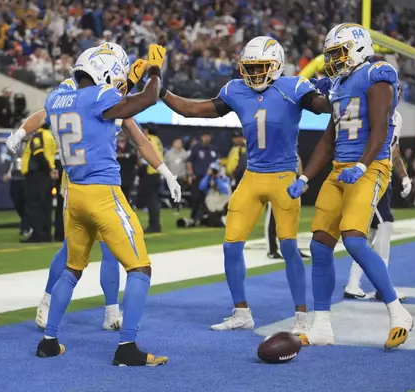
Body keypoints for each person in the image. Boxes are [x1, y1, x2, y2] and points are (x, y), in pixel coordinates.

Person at [160, 36, 330, 334]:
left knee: (289, 246)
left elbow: (321, 106)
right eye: (249, 68)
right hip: (252, 176)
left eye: (261, 67)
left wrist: (337, 92)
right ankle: (241, 312)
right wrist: (159, 90)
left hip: (283, 176)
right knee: (230, 245)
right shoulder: (237, 90)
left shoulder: (293, 87)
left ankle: (302, 316)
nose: (254, 74)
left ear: (276, 65)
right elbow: (191, 109)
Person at [6, 44, 180, 333]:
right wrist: (22, 131)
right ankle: (48, 301)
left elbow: (138, 137)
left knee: (105, 251)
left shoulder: (84, 94)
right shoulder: (93, 93)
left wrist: (165, 171)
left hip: (79, 183)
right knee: (73, 253)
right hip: (86, 182)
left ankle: (109, 311)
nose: (122, 82)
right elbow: (46, 114)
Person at [287, 24, 413, 348]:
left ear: (357, 48)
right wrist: (304, 177)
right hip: (340, 170)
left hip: (370, 166)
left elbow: (381, 128)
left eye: (338, 52)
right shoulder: (339, 85)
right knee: (319, 245)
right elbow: (328, 140)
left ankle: (398, 312)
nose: (333, 60)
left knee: (355, 240)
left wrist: (361, 165)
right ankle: (322, 325)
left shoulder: (377, 73)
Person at [344, 84, 412, 300]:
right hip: (372, 176)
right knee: (385, 225)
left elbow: (394, 149)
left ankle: (352, 284)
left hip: (385, 179)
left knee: (370, 232)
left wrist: (404, 176)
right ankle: (384, 288)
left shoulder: (397, 117)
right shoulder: (372, 111)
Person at [20, 123, 58, 243]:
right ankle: (46, 233)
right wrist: (51, 170)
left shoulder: (38, 135)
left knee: (35, 205)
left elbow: (39, 155)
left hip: (37, 175)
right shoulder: (50, 136)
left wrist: (48, 170)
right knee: (46, 205)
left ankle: (38, 234)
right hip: (46, 175)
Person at [187, 131, 217, 221]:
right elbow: (189, 162)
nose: (206, 138)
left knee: (208, 198)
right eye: (205, 136)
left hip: (210, 178)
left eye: (208, 136)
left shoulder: (213, 150)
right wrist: (191, 174)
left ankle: (206, 217)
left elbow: (216, 163)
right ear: (201, 137)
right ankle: (194, 216)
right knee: (196, 197)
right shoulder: (196, 148)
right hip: (198, 177)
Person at [141, 124, 165, 233]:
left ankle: (154, 225)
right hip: (158, 172)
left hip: (151, 172)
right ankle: (156, 225)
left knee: (151, 201)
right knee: (154, 201)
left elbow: (146, 154)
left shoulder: (149, 139)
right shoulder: (158, 140)